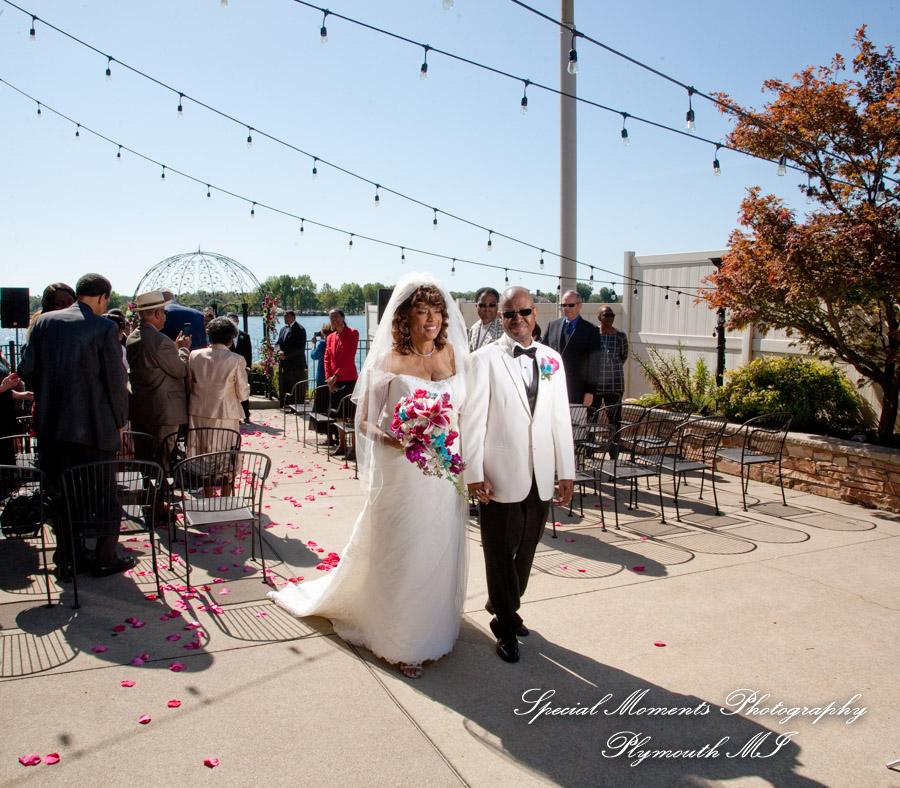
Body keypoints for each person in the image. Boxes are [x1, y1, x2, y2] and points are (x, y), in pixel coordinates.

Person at [269, 273, 470, 680]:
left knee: (439, 547)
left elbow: (464, 411)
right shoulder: (388, 359)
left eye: (437, 312)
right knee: (406, 549)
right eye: (422, 311)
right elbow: (362, 421)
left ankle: (435, 626)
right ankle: (402, 639)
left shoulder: (451, 354)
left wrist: (450, 442)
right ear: (405, 316)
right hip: (404, 471)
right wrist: (401, 440)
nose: (431, 319)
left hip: (444, 472)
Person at [463, 286, 575, 663]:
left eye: (523, 312)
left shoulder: (552, 360)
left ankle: (502, 603)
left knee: (525, 551)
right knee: (498, 552)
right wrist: (474, 473)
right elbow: (472, 421)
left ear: (535, 314)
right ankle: (506, 626)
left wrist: (567, 472)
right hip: (499, 474)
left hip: (541, 474)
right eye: (509, 314)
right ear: (501, 317)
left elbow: (561, 418)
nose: (517, 319)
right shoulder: (482, 361)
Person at [18, 273, 133, 577]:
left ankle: (68, 557)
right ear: (101, 297)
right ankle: (105, 556)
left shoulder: (44, 323)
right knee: (103, 493)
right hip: (96, 427)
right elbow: (116, 383)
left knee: (61, 492)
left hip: (53, 426)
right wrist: (121, 422)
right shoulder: (104, 328)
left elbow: (26, 369)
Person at [126, 291, 191, 466]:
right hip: (163, 411)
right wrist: (183, 350)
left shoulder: (132, 338)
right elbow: (180, 370)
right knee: (163, 456)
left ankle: (149, 490)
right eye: (164, 312)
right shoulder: (160, 341)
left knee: (145, 456)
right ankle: (161, 492)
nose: (164, 316)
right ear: (156, 313)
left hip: (141, 407)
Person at [544, 289, 599, 406]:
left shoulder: (591, 330)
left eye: (571, 305)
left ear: (580, 306)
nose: (567, 308)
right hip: (553, 388)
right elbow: (543, 354)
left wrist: (590, 391)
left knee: (575, 423)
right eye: (564, 305)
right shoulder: (552, 326)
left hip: (577, 391)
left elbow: (594, 364)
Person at [324, 308, 359, 457]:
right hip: (334, 381)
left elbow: (349, 357)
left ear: (343, 317)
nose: (334, 320)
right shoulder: (330, 337)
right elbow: (327, 358)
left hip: (348, 378)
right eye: (331, 318)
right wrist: (329, 379)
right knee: (339, 415)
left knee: (351, 415)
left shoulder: (353, 333)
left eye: (336, 317)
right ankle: (341, 444)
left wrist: (336, 376)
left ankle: (355, 448)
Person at [594, 307, 628, 424]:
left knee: (614, 418)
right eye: (606, 315)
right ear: (599, 318)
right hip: (596, 384)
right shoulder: (593, 334)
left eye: (612, 315)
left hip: (615, 384)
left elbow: (624, 356)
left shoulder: (620, 336)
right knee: (592, 416)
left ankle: (614, 441)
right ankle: (589, 441)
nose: (610, 318)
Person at [276, 310, 307, 408]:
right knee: (286, 385)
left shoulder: (300, 329)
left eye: (287, 317)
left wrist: (286, 354)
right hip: (285, 364)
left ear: (293, 317)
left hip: (296, 364)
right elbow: (278, 343)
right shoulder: (283, 329)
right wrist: (278, 351)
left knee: (296, 386)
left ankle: (297, 406)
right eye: (284, 317)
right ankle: (287, 405)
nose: (285, 319)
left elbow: (300, 347)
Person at [227, 313, 253, 423]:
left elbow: (249, 353)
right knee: (232, 392)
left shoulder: (245, 336)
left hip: (242, 368)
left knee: (243, 390)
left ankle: (246, 414)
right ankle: (235, 415)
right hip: (229, 368)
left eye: (235, 320)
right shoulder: (226, 337)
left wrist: (248, 367)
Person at [467, 286, 503, 352]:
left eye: (492, 305)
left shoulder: (504, 327)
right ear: (476, 306)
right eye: (482, 305)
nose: (487, 308)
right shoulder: (473, 329)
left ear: (497, 306)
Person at [310, 322, 333, 416]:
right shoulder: (335, 341)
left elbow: (314, 355)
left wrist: (314, 344)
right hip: (334, 375)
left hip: (323, 375)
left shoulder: (323, 343)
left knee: (322, 402)